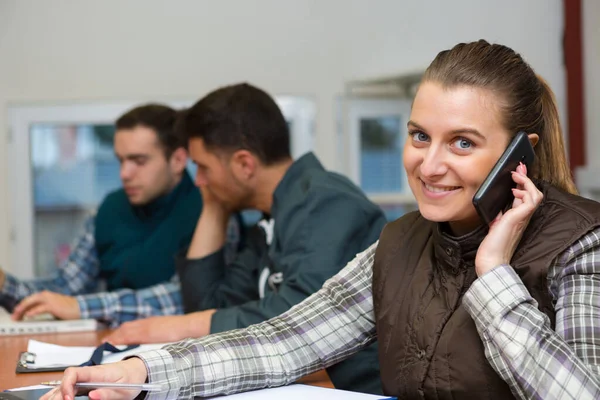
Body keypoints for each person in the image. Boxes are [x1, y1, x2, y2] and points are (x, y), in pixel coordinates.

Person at [47, 39, 600, 400]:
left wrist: (495, 273)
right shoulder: (401, 243)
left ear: (519, 156)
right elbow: (283, 342)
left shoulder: (582, 244)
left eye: (462, 142)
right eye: (418, 136)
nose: (429, 165)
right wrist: (143, 371)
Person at [94, 83, 387, 394]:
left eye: (203, 168)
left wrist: (181, 325)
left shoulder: (325, 201)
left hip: (352, 389)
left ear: (245, 164)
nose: (199, 181)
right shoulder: (270, 215)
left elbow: (300, 317)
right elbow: (211, 304)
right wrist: (213, 207)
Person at [0, 104, 240, 326]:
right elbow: (65, 289)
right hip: (114, 347)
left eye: (139, 161)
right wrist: (4, 286)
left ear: (178, 160)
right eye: (121, 160)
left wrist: (82, 307)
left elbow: (186, 299)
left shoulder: (211, 209)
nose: (125, 173)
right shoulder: (110, 208)